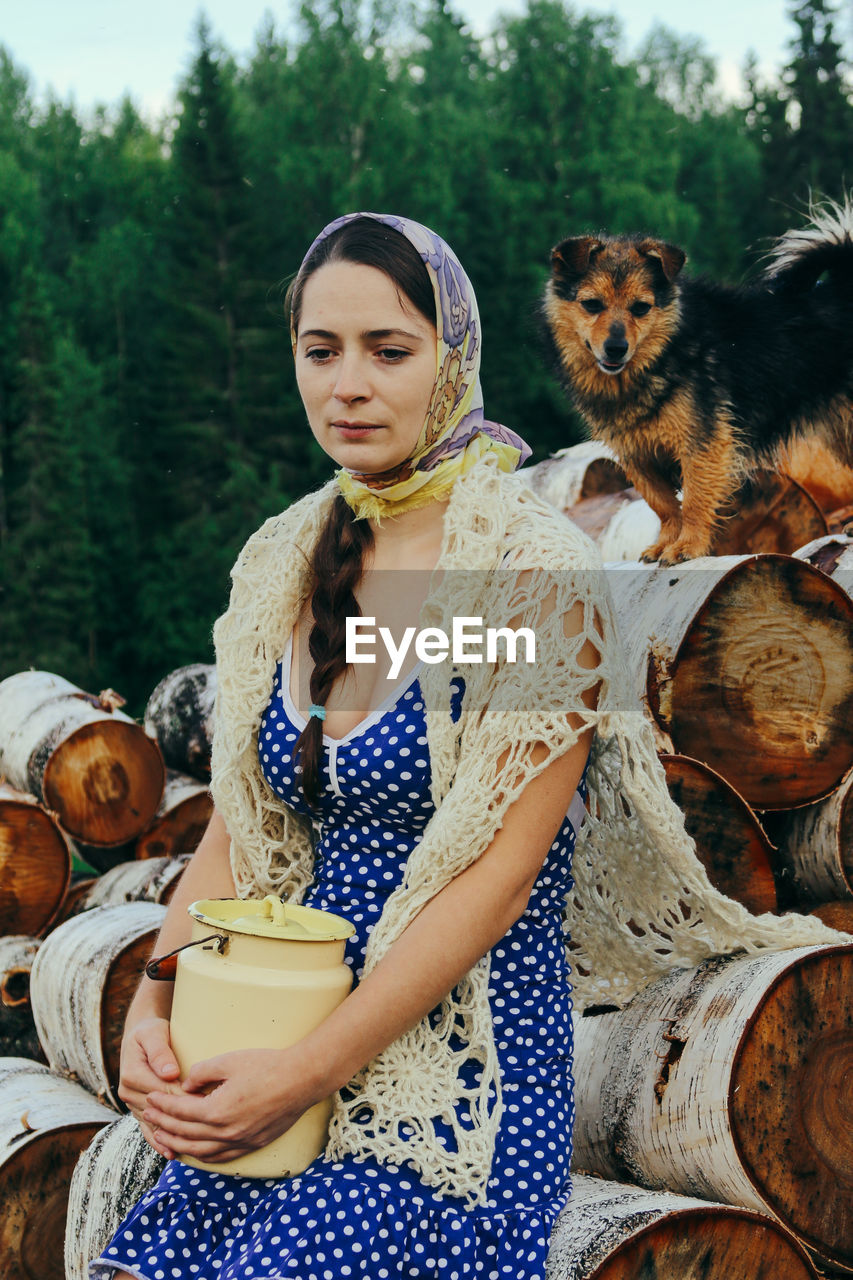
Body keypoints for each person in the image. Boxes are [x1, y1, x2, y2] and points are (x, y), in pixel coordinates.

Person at [91, 213, 840, 1280]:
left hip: (451, 1076)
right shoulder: (286, 557)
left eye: (388, 350)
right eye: (320, 350)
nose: (348, 383)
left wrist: (309, 1070)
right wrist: (153, 1007)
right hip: (268, 1024)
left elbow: (495, 880)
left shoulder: (530, 573)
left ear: (453, 358)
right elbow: (242, 826)